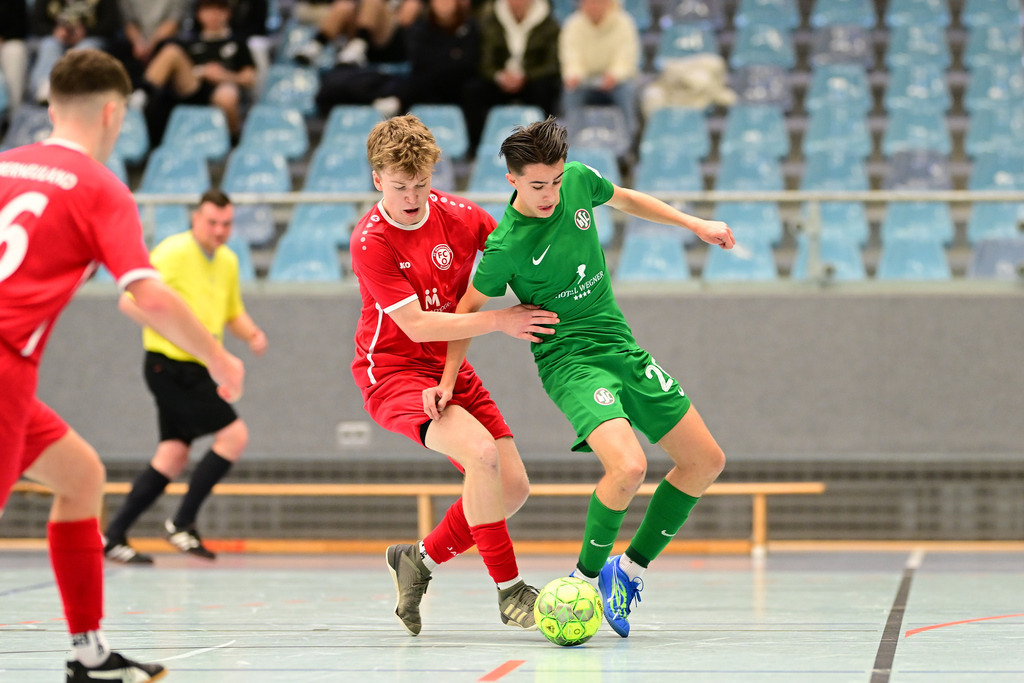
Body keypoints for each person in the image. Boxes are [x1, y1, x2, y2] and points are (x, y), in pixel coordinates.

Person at [429, 117, 734, 637]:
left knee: (706, 461)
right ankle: (584, 581)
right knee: (628, 467)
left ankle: (628, 571)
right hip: (569, 361)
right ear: (512, 181)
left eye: (554, 180)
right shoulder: (506, 246)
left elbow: (625, 198)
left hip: (620, 345)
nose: (549, 194)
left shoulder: (578, 182)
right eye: (536, 185)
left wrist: (694, 224)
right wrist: (449, 375)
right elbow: (466, 308)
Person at [0, 49, 243, 682]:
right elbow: (147, 293)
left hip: (13, 381)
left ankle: (90, 655)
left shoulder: (4, 165)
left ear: (50, 108)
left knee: (80, 476)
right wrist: (218, 356)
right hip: (3, 369)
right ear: (115, 114)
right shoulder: (100, 187)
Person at [351, 114, 559, 635]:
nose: (412, 196)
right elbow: (418, 326)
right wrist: (501, 320)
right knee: (481, 456)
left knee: (510, 490)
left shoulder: (459, 215)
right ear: (378, 179)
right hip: (394, 372)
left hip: (450, 364)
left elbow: (516, 247)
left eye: (421, 183)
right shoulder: (371, 240)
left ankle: (417, 560)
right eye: (400, 186)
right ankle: (511, 592)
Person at [103, 189, 266, 565]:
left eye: (226, 224)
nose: (219, 230)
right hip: (169, 364)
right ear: (195, 219)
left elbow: (231, 312)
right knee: (233, 435)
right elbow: (129, 301)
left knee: (173, 454)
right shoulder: (173, 252)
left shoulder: (226, 261)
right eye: (212, 222)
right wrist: (174, 333)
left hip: (197, 367)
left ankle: (113, 536)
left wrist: (253, 333)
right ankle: (181, 522)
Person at [139, 0, 256, 142]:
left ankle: (232, 141)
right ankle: (138, 100)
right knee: (170, 51)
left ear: (228, 13)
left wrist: (223, 76)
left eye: (219, 10)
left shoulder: (238, 42)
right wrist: (201, 72)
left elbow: (250, 78)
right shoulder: (189, 41)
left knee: (227, 94)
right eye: (208, 10)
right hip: (193, 88)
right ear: (199, 14)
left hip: (222, 88)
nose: (214, 15)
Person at [463, 0, 561, 154]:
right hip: (499, 80)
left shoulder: (548, 24)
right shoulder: (491, 22)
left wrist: (526, 75)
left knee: (545, 89)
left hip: (531, 80)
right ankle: (478, 147)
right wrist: (499, 75)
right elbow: (484, 60)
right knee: (473, 91)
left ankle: (544, 147)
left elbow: (552, 64)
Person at [558, 0, 641, 134]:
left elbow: (627, 57)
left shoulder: (625, 23)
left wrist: (615, 75)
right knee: (570, 92)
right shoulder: (572, 24)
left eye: (599, 2)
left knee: (628, 89)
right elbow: (570, 56)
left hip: (616, 82)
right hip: (584, 80)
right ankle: (570, 140)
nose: (594, 6)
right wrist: (574, 75)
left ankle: (629, 141)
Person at [28, 0, 123, 104]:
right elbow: (36, 23)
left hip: (90, 38)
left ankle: (78, 89)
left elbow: (112, 23)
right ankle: (46, 86)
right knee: (49, 45)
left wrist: (86, 32)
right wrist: (55, 31)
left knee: (86, 49)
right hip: (56, 38)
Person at [0, 0, 29, 112]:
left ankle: (14, 117)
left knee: (16, 51)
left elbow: (20, 27)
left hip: (7, 42)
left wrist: (3, 38)